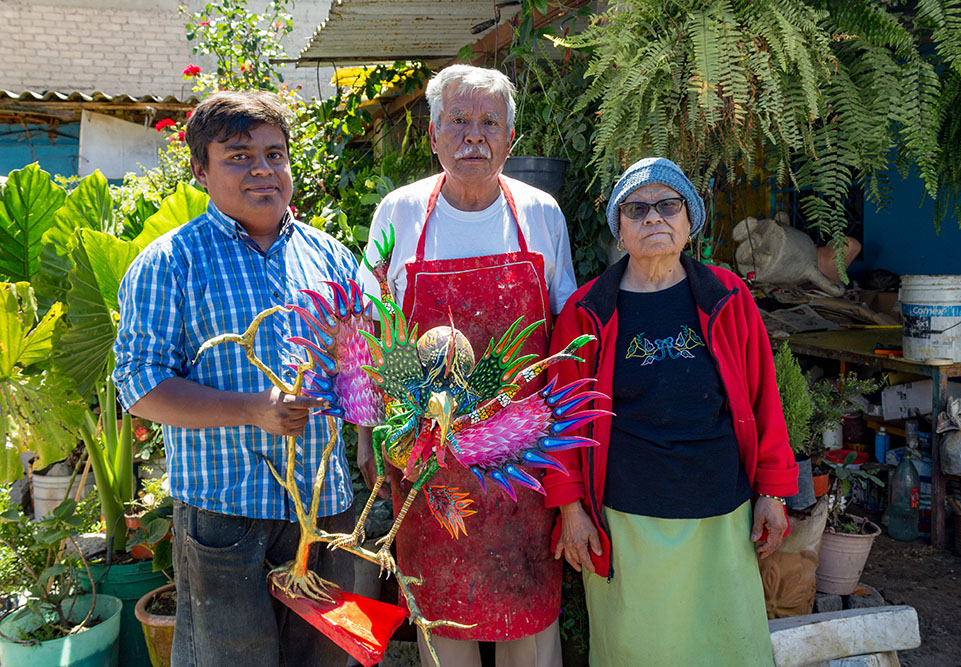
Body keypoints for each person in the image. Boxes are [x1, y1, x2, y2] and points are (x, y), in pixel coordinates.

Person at [113, 90, 358, 666]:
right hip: (226, 514)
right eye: (239, 156)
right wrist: (253, 408)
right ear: (200, 169)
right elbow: (140, 386)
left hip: (324, 512)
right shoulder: (171, 261)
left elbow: (359, 368)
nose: (263, 170)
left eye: (275, 154)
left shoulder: (330, 256)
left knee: (322, 657)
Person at [356, 64, 577, 667]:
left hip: (523, 464)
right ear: (432, 135)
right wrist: (372, 440)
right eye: (458, 121)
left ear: (511, 139)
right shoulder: (399, 214)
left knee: (526, 625)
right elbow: (373, 334)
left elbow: (566, 335)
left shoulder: (541, 214)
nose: (473, 136)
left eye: (489, 123)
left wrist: (570, 471)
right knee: (444, 624)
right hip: (428, 465)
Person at [542, 157, 798, 665]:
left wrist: (772, 491)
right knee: (638, 647)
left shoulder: (727, 296)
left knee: (727, 644)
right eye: (636, 209)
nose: (653, 218)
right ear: (619, 230)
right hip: (627, 515)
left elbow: (763, 396)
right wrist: (570, 509)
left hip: (720, 509)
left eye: (667, 206)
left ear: (689, 221)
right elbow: (559, 421)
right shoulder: (587, 311)